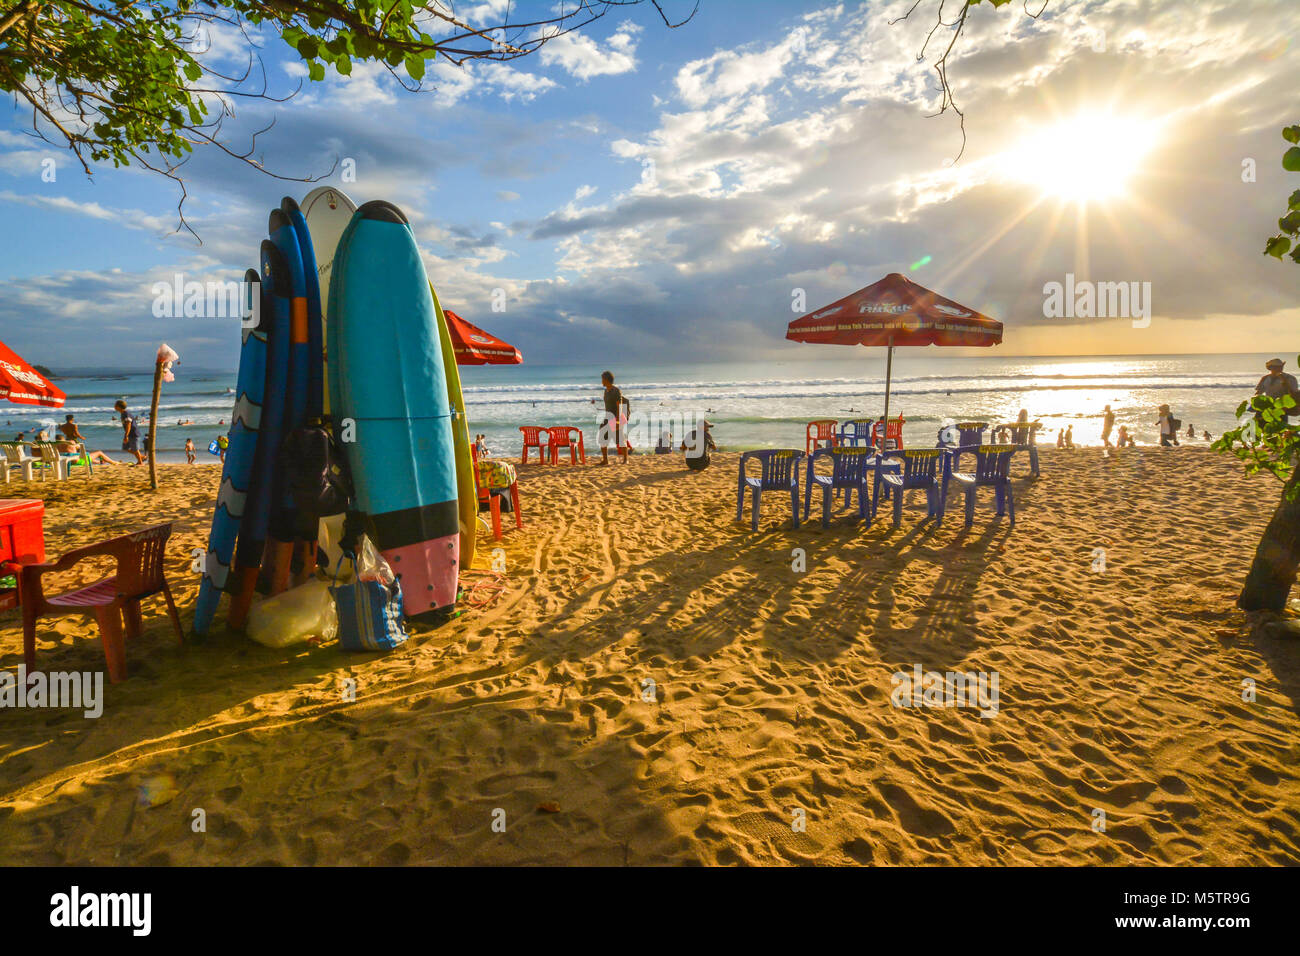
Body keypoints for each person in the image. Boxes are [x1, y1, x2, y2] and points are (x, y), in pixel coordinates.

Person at [600, 371, 626, 465]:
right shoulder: (605, 391)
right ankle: (605, 460)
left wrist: (618, 421)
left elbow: (619, 406)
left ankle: (625, 460)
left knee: (620, 440)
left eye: (603, 379)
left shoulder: (616, 391)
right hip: (607, 417)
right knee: (602, 438)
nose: (602, 381)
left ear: (607, 380)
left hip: (615, 418)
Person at [113, 399, 144, 464]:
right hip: (130, 434)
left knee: (135, 449)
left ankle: (140, 462)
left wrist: (126, 435)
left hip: (133, 433)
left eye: (115, 405)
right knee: (125, 448)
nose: (114, 406)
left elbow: (128, 425)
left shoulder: (126, 413)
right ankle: (141, 457)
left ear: (119, 406)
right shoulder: (122, 414)